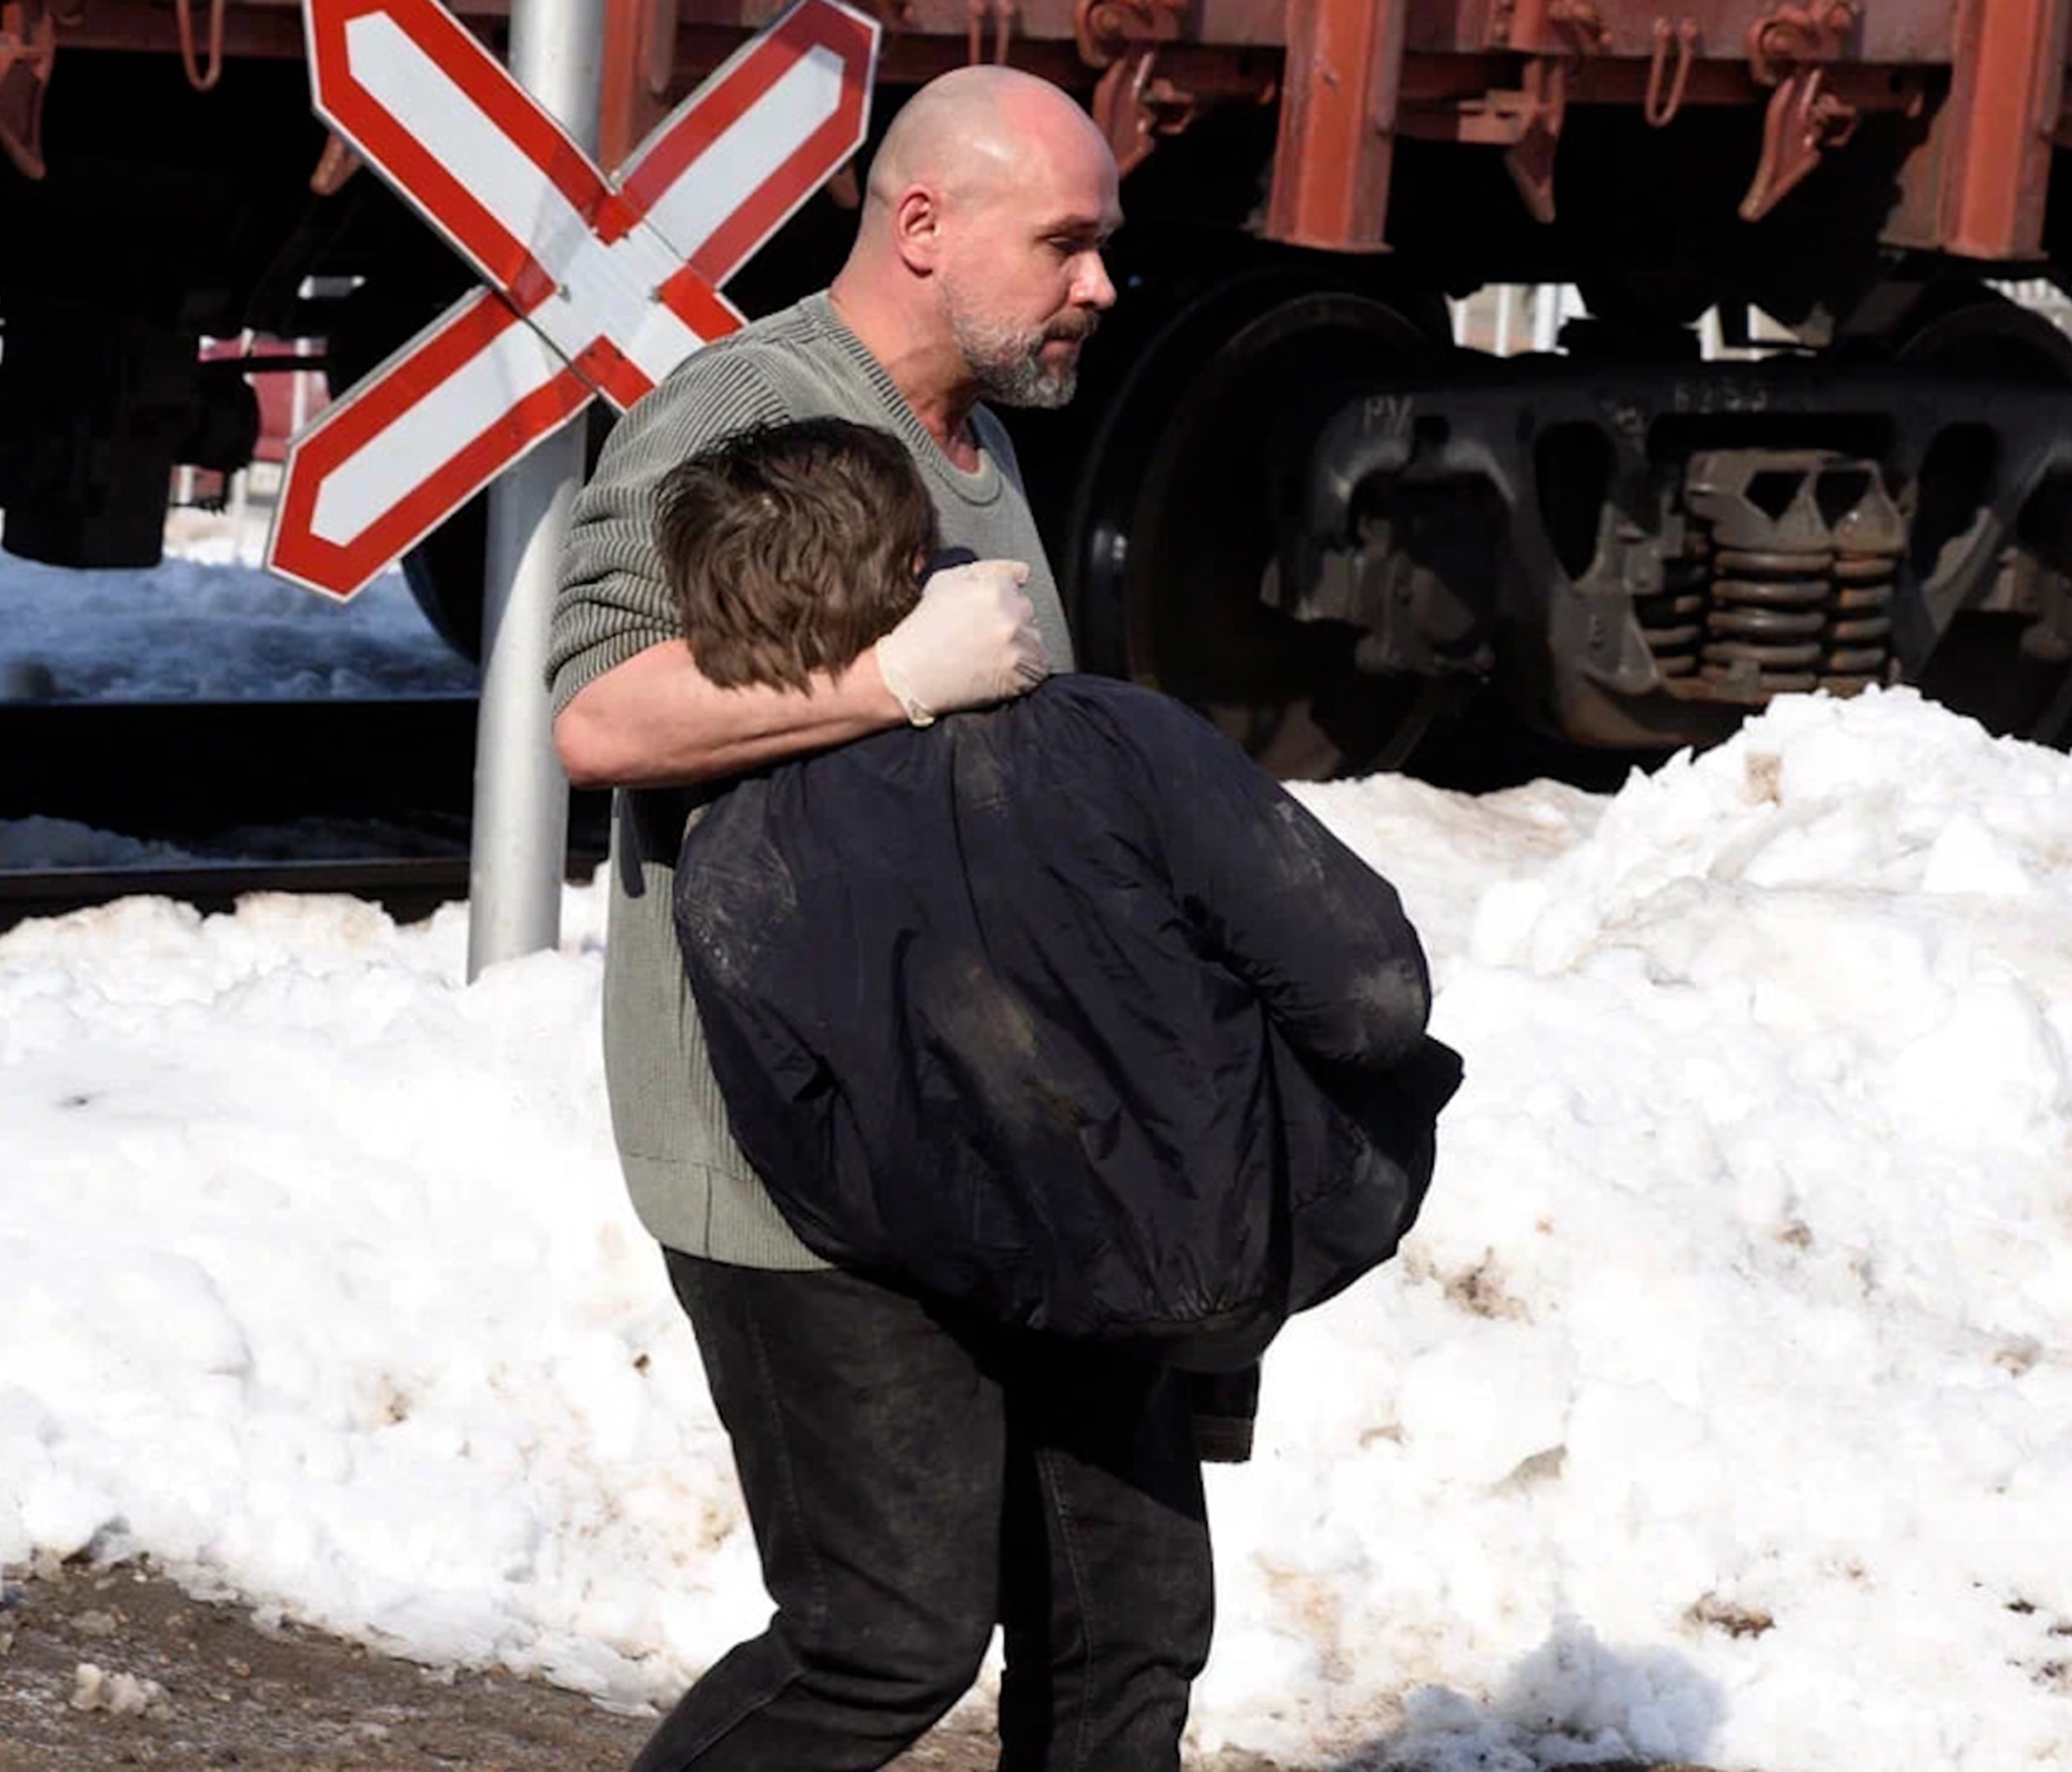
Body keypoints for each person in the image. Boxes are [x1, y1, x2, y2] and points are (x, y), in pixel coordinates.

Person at [544, 65, 1157, 1772]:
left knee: (1120, 1620)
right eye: (1066, 244)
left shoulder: (982, 444)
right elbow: (599, 715)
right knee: (882, 1636)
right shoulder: (746, 411)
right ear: (925, 226)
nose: (1102, 285)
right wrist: (893, 675)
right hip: (792, 1161)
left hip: (992, 1134)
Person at [657, 414, 1456, 1376]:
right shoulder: (1119, 738)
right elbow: (1373, 1002)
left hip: (990, 1301)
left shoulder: (728, 866)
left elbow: (815, 1176)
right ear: (917, 570)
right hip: (1266, 1232)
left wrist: (982, 1238)